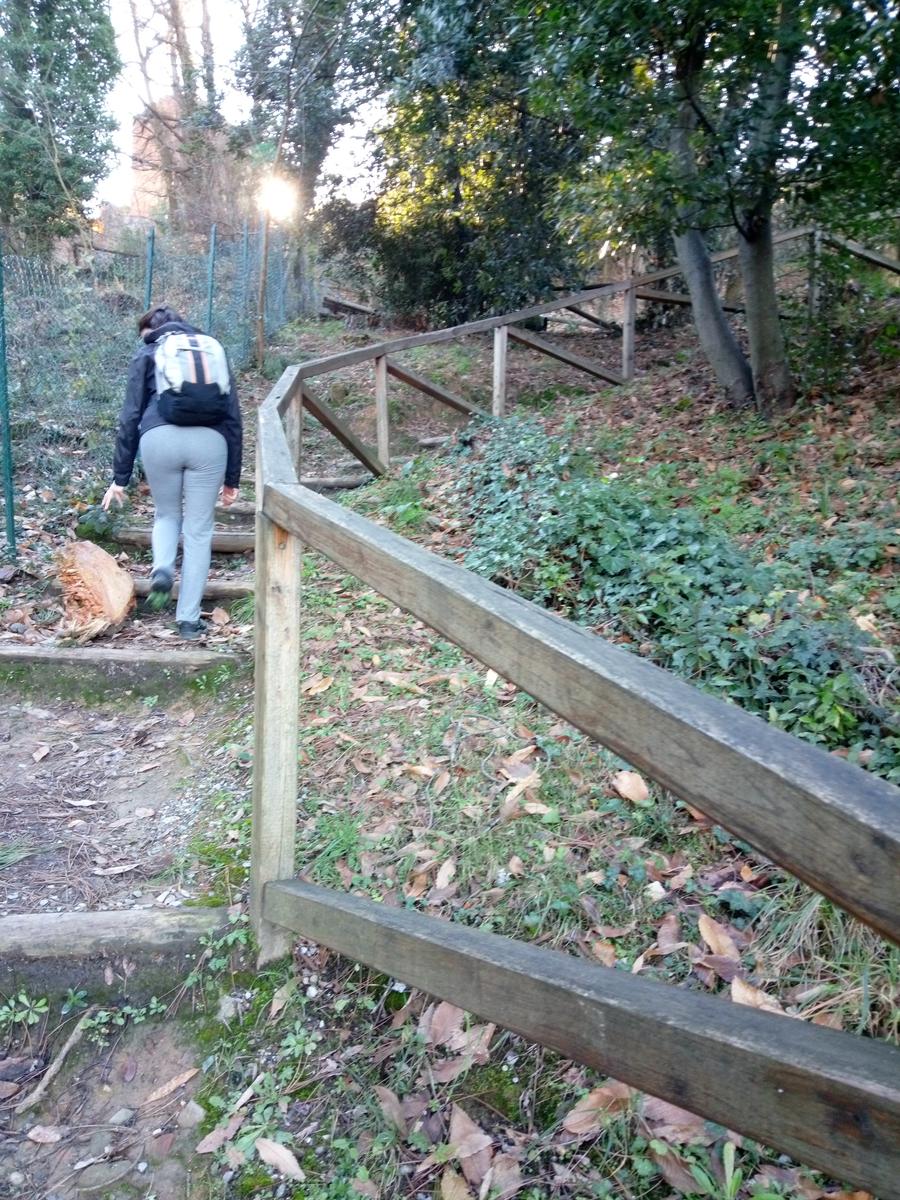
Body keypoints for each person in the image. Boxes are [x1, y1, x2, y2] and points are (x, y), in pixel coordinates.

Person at [102, 304, 242, 640]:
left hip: (158, 439)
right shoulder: (212, 351)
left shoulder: (148, 352)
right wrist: (232, 478)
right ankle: (189, 621)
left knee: (166, 515)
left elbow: (129, 417)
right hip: (210, 444)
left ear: (150, 332)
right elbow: (234, 417)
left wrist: (120, 477)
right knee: (198, 532)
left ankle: (162, 567)